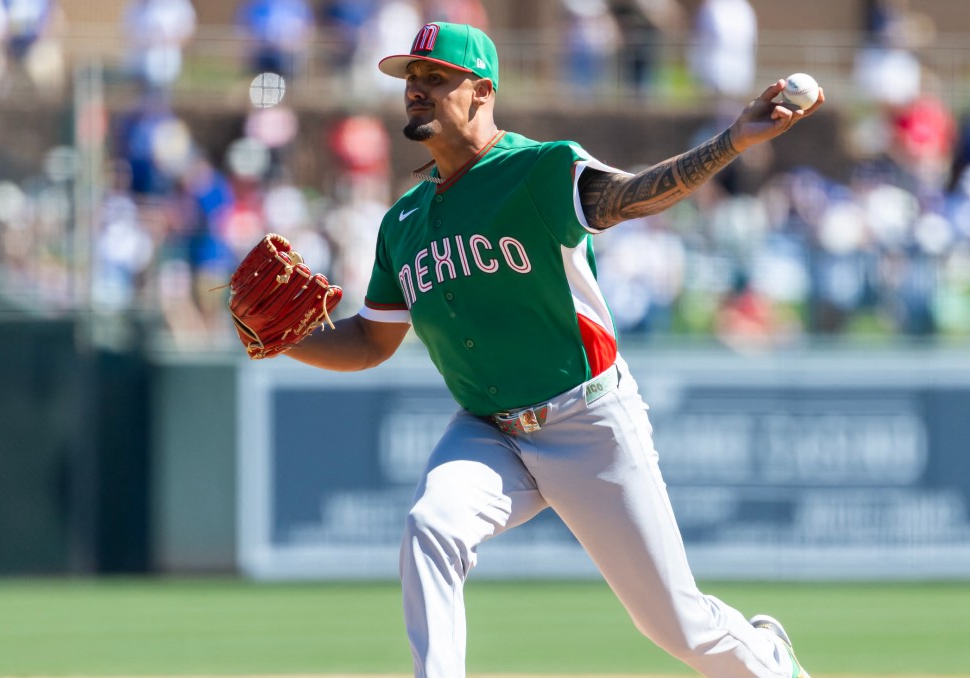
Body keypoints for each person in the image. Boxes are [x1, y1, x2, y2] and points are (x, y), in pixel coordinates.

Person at [281, 21, 822, 678]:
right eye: (410, 80)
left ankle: (768, 660)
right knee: (432, 524)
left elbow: (630, 196)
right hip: (486, 429)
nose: (415, 91)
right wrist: (289, 339)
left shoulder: (538, 168)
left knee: (675, 626)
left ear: (481, 91)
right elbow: (369, 342)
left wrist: (733, 141)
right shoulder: (403, 223)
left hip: (587, 418)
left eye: (434, 78)